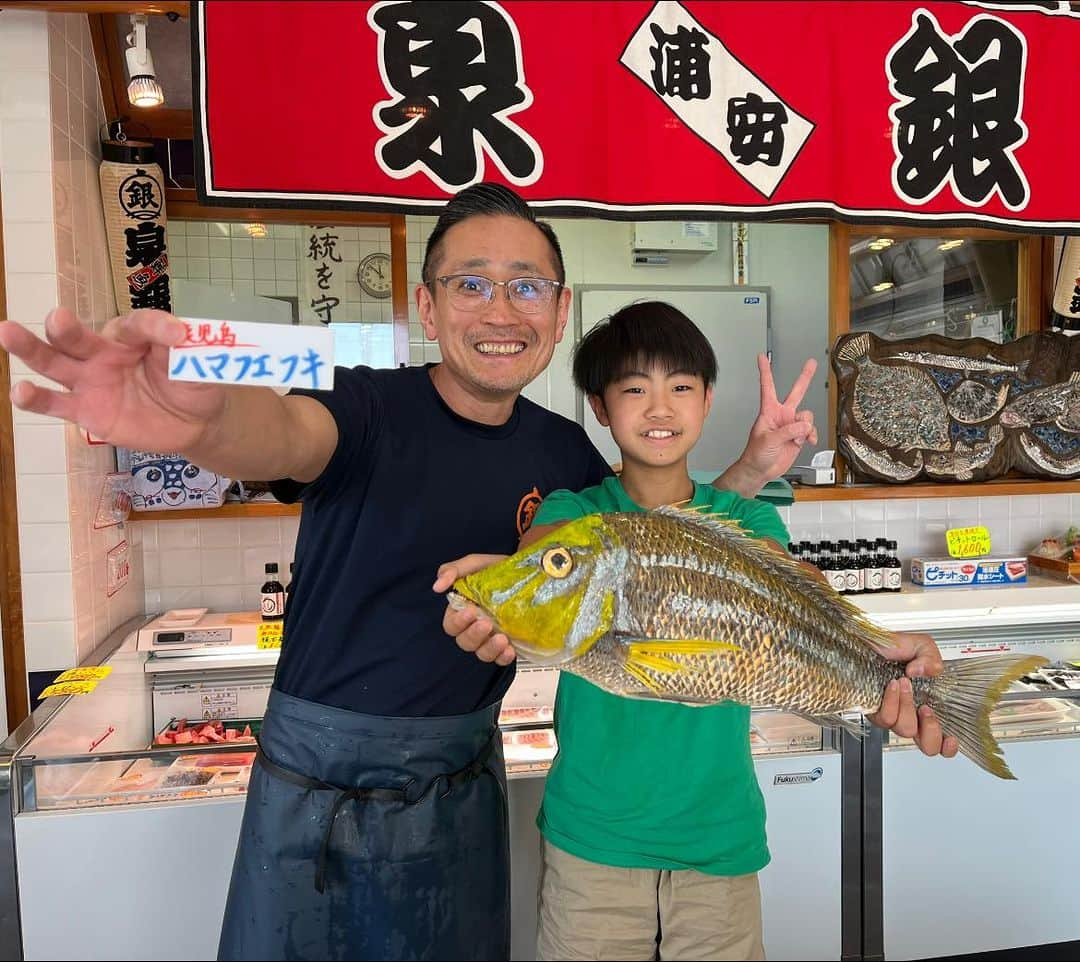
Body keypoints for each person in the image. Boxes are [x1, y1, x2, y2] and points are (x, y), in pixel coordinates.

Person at [0, 181, 909, 962]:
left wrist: (749, 479)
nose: (500, 308)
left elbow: (658, 540)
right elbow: (282, 432)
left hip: (461, 769)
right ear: (428, 309)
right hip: (319, 773)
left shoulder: (564, 456)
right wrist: (202, 426)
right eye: (470, 284)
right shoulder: (368, 404)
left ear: (556, 314)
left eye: (526, 287)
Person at [442, 303, 960, 961]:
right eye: (634, 389)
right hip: (593, 845)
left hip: (718, 841)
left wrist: (873, 659)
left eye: (680, 387)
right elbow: (546, 553)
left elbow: (798, 588)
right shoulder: (578, 515)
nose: (659, 408)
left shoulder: (746, 518)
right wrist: (512, 579)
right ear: (600, 406)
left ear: (708, 399)